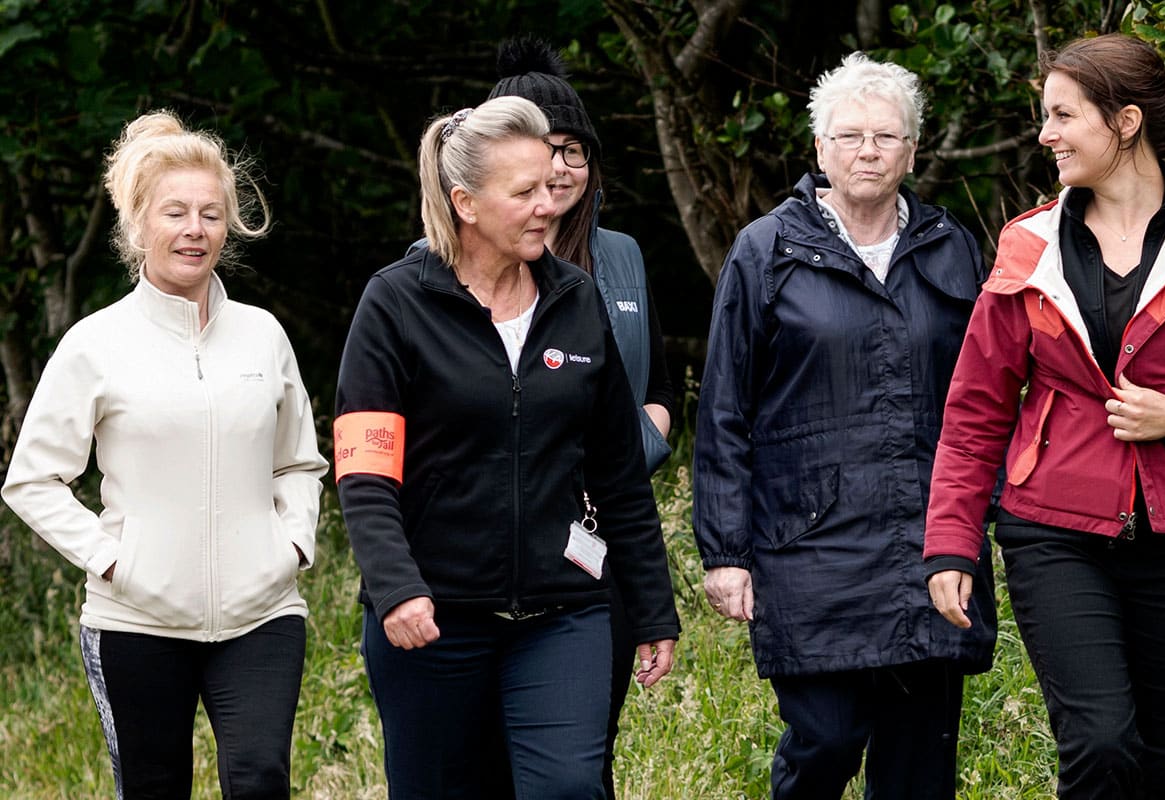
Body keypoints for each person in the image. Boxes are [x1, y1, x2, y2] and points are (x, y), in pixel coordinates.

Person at [333, 94, 679, 800]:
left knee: (569, 788)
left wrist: (651, 609)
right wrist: (397, 589)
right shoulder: (395, 304)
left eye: (551, 187)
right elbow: (365, 474)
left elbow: (617, 472)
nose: (548, 206)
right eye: (524, 193)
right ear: (465, 202)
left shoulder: (576, 299)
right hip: (432, 622)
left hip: (564, 613)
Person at [692, 53, 996, 800]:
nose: (868, 150)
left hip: (931, 544)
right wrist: (725, 551)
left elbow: (989, 395)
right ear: (820, 148)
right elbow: (724, 410)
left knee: (921, 765)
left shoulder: (950, 245)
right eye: (850, 135)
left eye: (886, 136)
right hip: (809, 546)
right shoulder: (767, 251)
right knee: (824, 742)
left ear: (913, 150)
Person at [1, 110, 328, 799]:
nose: (195, 230)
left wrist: (292, 543)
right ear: (137, 225)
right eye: (175, 212)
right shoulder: (96, 343)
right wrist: (115, 559)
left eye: (211, 214)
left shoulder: (263, 337)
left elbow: (298, 462)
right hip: (136, 621)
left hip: (261, 612)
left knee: (262, 779)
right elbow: (33, 480)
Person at [925, 33, 1165, 799]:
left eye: (1061, 116)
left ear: (1126, 121)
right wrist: (951, 542)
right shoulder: (1028, 246)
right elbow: (976, 408)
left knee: (1161, 761)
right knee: (1101, 741)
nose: (1044, 135)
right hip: (1056, 531)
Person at [483, 36, 673, 800]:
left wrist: (625, 453)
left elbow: (659, 390)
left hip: (603, 543)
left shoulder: (621, 255)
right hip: (491, 545)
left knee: (583, 756)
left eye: (574, 150)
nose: (559, 168)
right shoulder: (439, 269)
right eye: (542, 149)